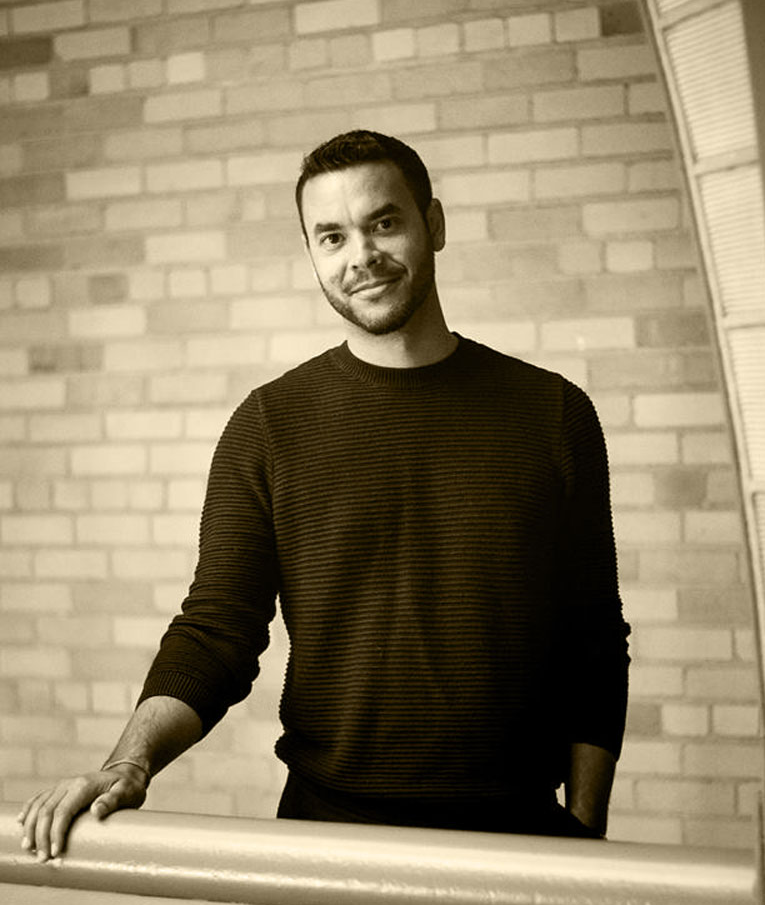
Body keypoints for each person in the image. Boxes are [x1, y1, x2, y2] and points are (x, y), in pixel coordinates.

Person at [19, 129, 630, 861]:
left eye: (383, 223)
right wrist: (129, 762)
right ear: (312, 255)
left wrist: (586, 833)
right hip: (329, 837)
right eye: (332, 237)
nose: (361, 256)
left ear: (432, 224)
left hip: (521, 840)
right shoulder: (270, 426)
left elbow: (592, 638)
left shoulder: (552, 414)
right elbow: (217, 630)